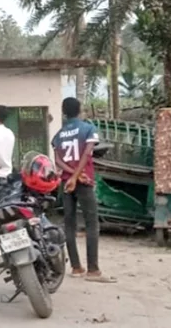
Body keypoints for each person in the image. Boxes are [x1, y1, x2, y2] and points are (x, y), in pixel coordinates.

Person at [52, 97, 116, 283]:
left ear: (64, 112)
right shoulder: (88, 129)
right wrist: (78, 175)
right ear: (79, 109)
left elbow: (58, 161)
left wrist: (71, 176)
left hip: (66, 183)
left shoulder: (58, 135)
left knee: (69, 224)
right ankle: (93, 270)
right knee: (91, 223)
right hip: (84, 181)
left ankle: (76, 267)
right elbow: (87, 153)